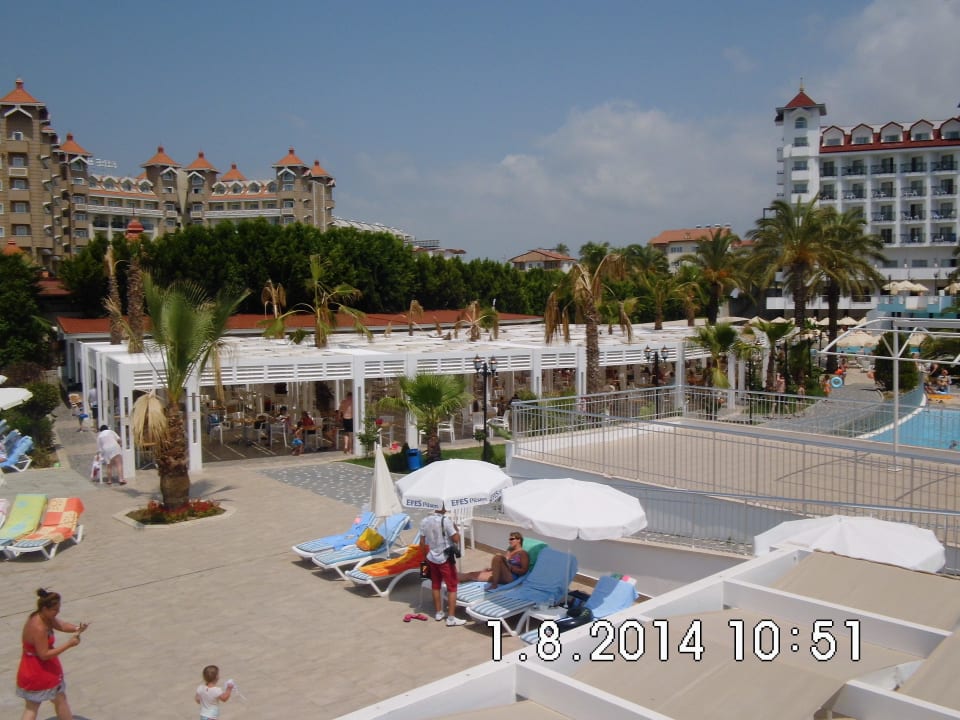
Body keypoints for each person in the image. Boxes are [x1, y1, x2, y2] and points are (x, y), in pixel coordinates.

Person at [16, 588, 89, 720]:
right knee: (59, 699)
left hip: (31, 670)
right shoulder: (39, 628)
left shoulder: (44, 617)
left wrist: (77, 628)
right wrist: (69, 644)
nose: (57, 612)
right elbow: (44, 654)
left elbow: (61, 625)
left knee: (33, 706)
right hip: (40, 671)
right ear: (45, 608)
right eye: (55, 609)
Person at [420, 505, 466, 626]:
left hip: (431, 557)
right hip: (444, 559)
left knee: (435, 585)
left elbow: (422, 542)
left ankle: (439, 613)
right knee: (452, 587)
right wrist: (456, 529)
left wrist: (425, 558)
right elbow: (456, 539)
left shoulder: (424, 521)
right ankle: (451, 618)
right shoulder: (446, 521)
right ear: (443, 507)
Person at [460, 531, 529, 590]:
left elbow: (524, 571)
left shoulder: (523, 553)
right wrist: (492, 569)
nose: (509, 541)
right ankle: (454, 579)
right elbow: (502, 565)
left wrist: (511, 568)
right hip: (500, 574)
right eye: (509, 539)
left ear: (519, 540)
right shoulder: (509, 551)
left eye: (512, 539)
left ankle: (494, 585)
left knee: (498, 557)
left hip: (510, 577)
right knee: (472, 574)